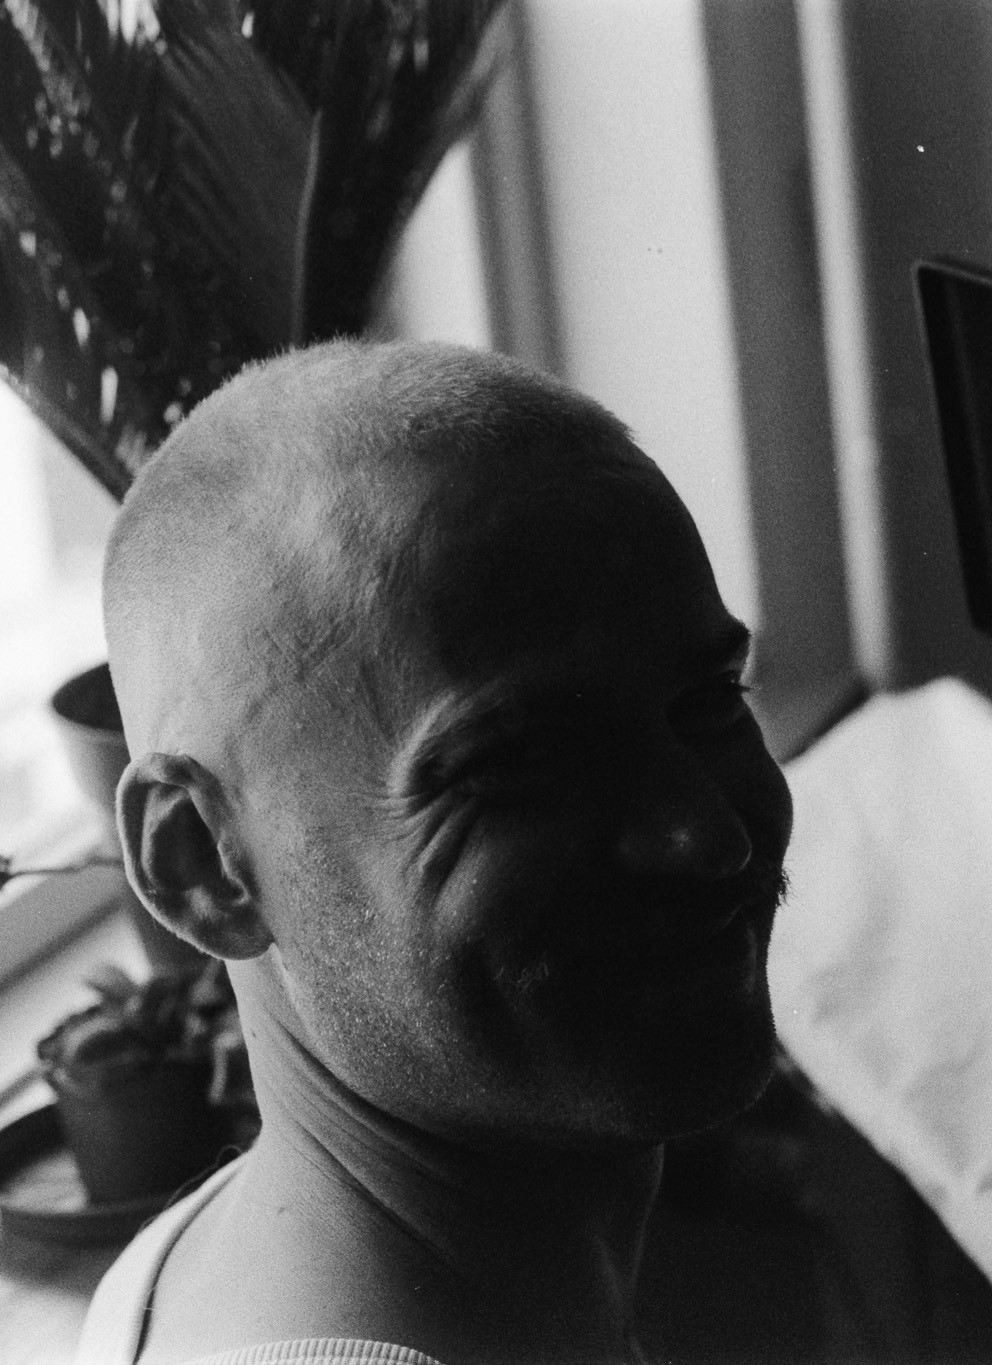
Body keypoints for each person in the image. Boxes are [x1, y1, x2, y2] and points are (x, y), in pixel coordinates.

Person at [76, 340, 793, 1365]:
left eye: (711, 701)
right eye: (519, 764)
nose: (708, 836)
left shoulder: (199, 1264)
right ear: (202, 865)